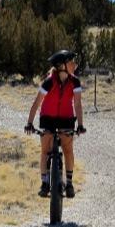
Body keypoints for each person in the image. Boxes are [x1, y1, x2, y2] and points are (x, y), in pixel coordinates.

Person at [25, 50, 86, 198]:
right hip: (48, 118)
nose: (75, 64)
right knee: (45, 150)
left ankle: (69, 183)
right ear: (63, 66)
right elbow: (37, 103)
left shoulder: (75, 82)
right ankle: (45, 182)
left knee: (68, 149)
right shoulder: (49, 82)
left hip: (66, 118)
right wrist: (29, 123)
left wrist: (80, 125)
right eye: (72, 62)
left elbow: (77, 104)